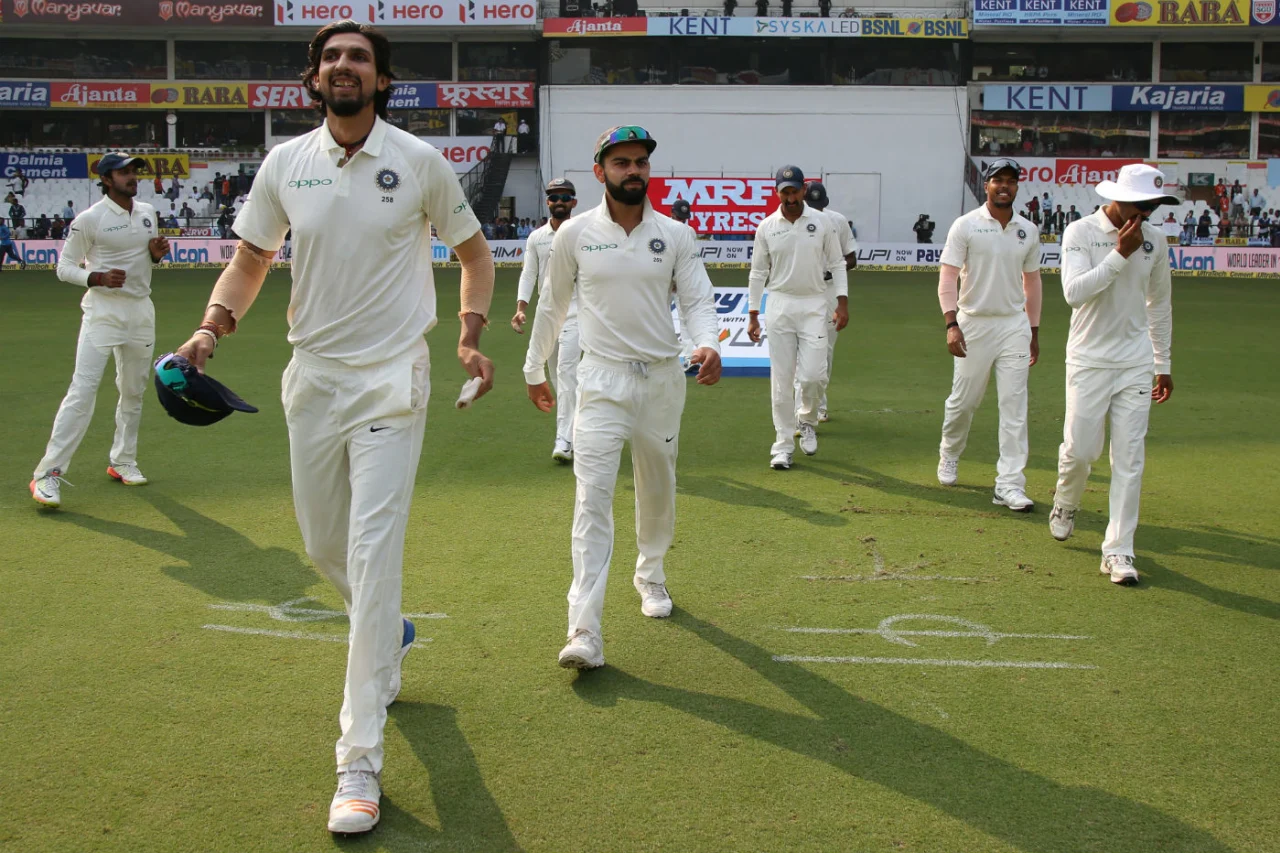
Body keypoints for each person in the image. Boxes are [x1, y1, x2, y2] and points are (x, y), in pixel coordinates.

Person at [168, 21, 495, 835]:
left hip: (391, 378)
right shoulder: (286, 163)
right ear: (313, 78)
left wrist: (468, 331)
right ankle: (392, 632)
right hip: (311, 378)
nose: (344, 67)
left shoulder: (419, 162)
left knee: (372, 553)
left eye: (360, 58)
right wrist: (212, 327)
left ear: (382, 79)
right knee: (322, 545)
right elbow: (250, 260)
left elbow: (476, 253)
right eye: (332, 58)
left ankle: (358, 761)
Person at [522, 125, 722, 670]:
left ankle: (651, 575)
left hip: (661, 380)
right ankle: (584, 629)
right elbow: (551, 305)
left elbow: (699, 298)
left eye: (640, 162)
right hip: (602, 380)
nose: (633, 171)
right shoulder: (576, 234)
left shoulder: (675, 235)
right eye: (621, 163)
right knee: (591, 499)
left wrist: (707, 342)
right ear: (600, 171)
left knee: (657, 488)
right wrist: (533, 366)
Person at [1053, 164, 1174, 586]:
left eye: (1152, 208)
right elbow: (1074, 293)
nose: (1146, 216)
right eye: (1140, 206)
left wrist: (1164, 363)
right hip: (1088, 358)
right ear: (1117, 199)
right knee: (1082, 451)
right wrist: (1120, 253)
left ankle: (1118, 550)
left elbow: (1158, 305)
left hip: (1135, 362)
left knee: (1129, 458)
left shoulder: (1155, 241)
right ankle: (1066, 501)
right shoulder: (1080, 233)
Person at [29, 153, 168, 508]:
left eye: (133, 171)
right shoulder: (90, 220)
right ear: (106, 179)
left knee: (134, 391)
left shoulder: (148, 212)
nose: (131, 176)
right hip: (103, 312)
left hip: (141, 312)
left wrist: (155, 255)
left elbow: (144, 260)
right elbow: (63, 267)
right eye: (123, 172)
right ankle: (48, 474)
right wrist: (96, 278)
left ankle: (122, 460)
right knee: (83, 392)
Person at [936, 158, 1041, 511]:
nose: (1004, 186)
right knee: (964, 402)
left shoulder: (1027, 229)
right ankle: (950, 452)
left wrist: (1034, 330)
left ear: (1016, 187)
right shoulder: (965, 226)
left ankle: (1009, 484)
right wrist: (951, 324)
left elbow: (1033, 281)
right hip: (973, 323)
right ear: (987, 185)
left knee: (1014, 407)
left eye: (1011, 181)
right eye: (998, 180)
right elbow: (948, 277)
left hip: (1013, 324)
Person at [747, 165, 848, 469]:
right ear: (777, 193)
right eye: (785, 192)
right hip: (779, 305)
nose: (790, 197)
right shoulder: (766, 227)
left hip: (815, 304)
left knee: (814, 375)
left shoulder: (822, 223)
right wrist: (753, 313)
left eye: (795, 191)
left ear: (804, 189)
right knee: (781, 381)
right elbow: (757, 272)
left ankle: (806, 419)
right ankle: (782, 444)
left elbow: (838, 263)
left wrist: (842, 302)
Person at [513, 177, 580, 462]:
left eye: (565, 197)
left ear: (573, 202)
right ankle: (581, 430)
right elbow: (529, 273)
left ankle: (564, 440)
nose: (559, 202)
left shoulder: (585, 233)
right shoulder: (536, 237)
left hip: (578, 313)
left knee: (566, 373)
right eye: (554, 197)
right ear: (548, 202)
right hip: (548, 315)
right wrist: (521, 307)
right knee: (555, 375)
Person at [802, 180, 856, 424]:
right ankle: (800, 408)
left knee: (825, 350)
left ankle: (819, 405)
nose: (816, 211)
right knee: (798, 350)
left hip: (829, 288)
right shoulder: (792, 222)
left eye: (819, 206)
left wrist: (833, 268)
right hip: (801, 288)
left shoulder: (838, 221)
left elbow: (851, 258)